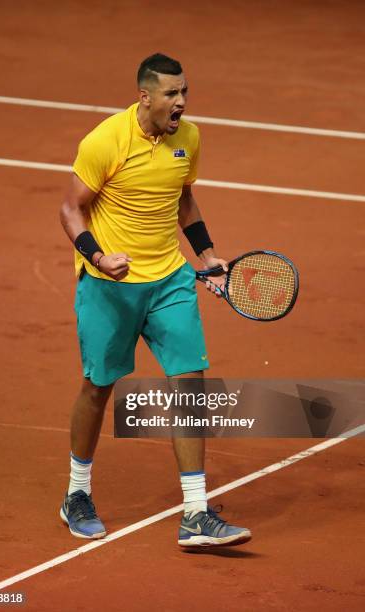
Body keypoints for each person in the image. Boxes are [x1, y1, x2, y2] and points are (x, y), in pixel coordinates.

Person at [59, 53, 251, 548]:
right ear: (145, 96)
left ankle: (195, 513)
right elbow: (71, 207)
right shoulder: (106, 140)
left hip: (169, 280)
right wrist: (97, 257)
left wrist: (206, 254)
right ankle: (77, 493)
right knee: (99, 388)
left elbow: (184, 198)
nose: (181, 102)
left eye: (184, 92)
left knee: (190, 383)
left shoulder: (188, 137)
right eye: (171, 94)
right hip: (111, 287)